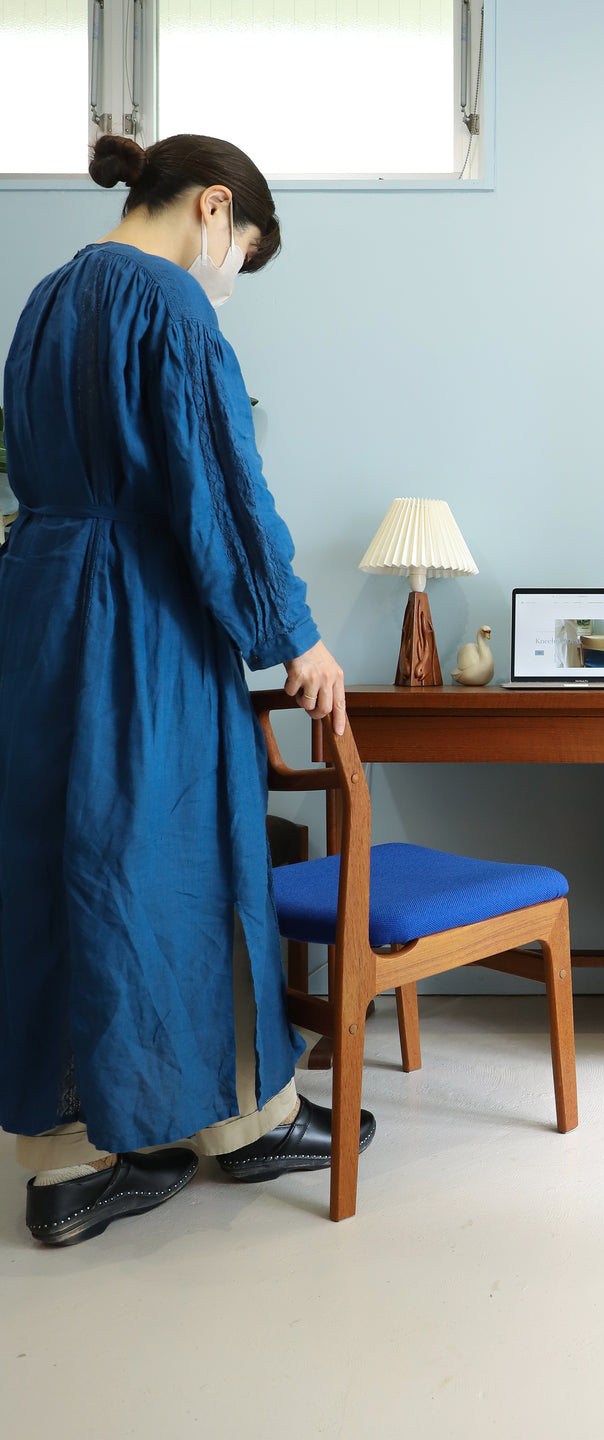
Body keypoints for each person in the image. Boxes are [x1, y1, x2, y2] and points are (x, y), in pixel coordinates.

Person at [0, 133, 374, 1247]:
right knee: (180, 861)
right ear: (214, 208)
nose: (229, 279)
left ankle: (80, 1159)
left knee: (60, 872)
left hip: (37, 616)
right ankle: (237, 1124)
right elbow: (222, 488)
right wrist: (295, 636)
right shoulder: (169, 303)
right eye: (240, 253)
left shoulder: (45, 302)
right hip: (139, 623)